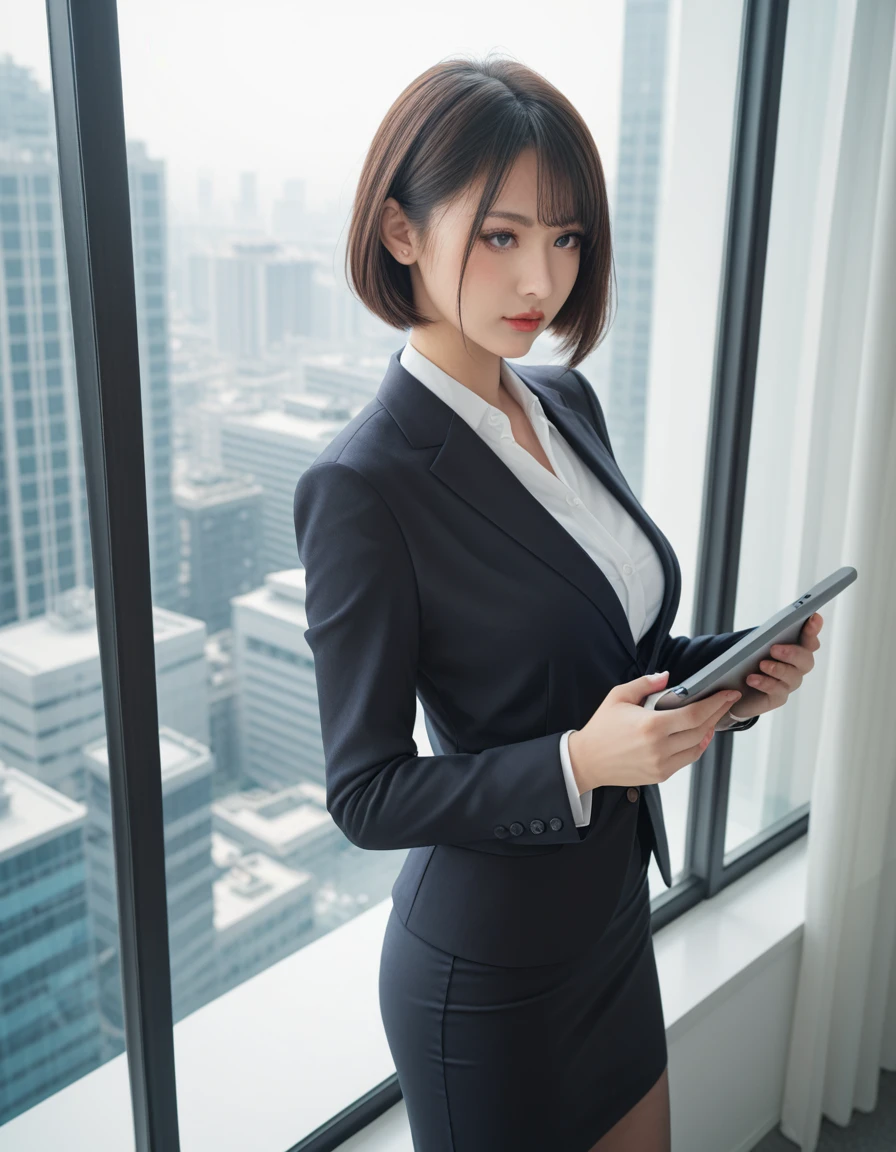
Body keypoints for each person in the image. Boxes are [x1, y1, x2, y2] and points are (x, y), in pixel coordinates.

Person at [293, 54, 763, 1152]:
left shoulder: (562, 398)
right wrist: (578, 766)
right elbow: (364, 792)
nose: (538, 281)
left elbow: (598, 653)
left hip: (606, 921)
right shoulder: (361, 486)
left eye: (563, 238)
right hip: (487, 977)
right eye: (500, 236)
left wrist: (725, 675)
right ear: (402, 232)